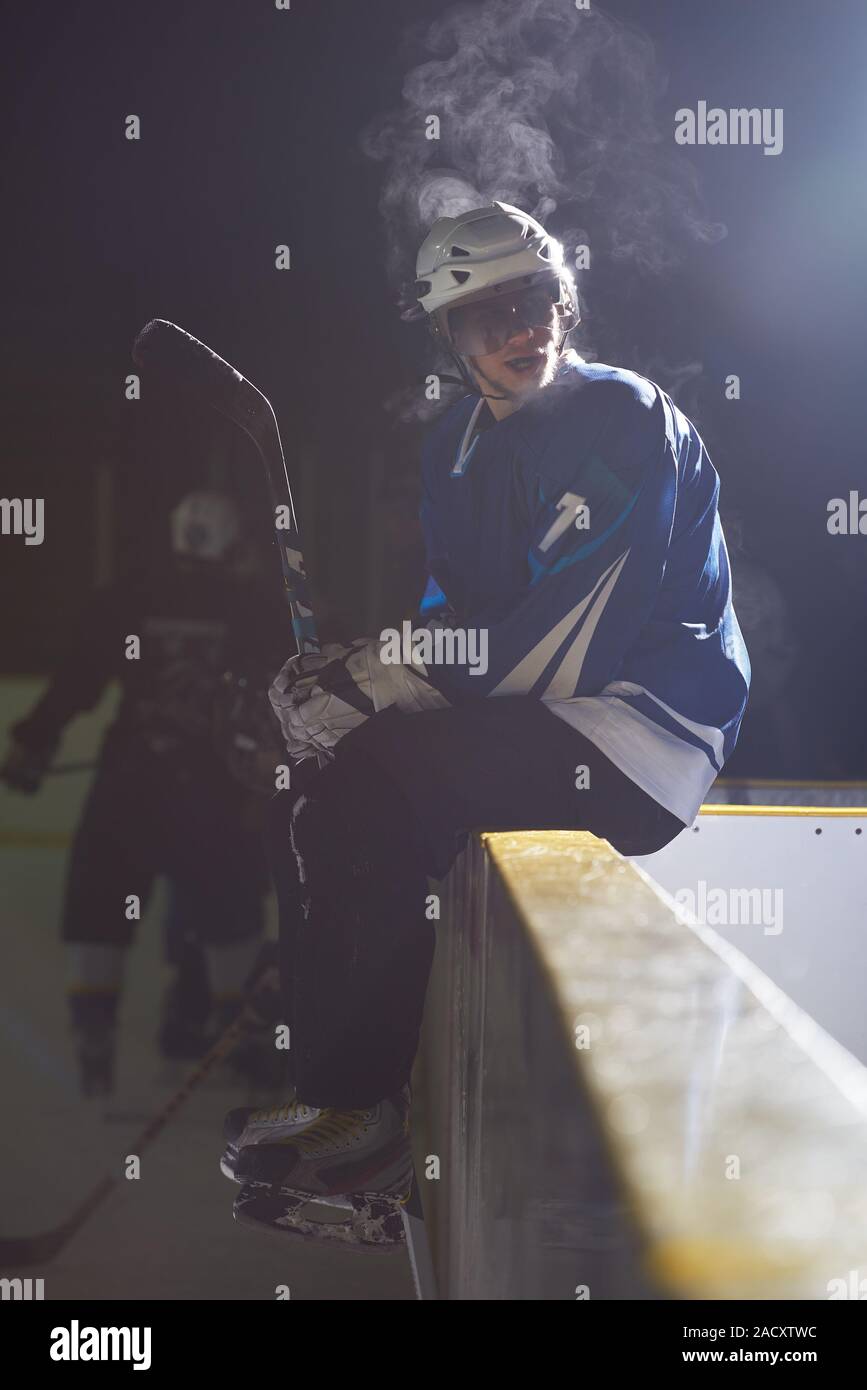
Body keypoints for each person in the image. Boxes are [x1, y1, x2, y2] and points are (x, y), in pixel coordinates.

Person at [222, 203, 751, 1249]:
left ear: (567, 299)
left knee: (364, 784)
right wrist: (356, 680)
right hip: (545, 729)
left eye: (536, 298)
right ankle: (353, 1083)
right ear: (446, 340)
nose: (521, 328)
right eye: (484, 316)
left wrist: (381, 681)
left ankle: (355, 1110)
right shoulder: (456, 451)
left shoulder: (624, 418)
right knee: (331, 790)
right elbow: (451, 622)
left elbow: (566, 646)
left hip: (639, 737)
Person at [1, 491, 287, 1095]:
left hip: (129, 782)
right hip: (215, 788)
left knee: (99, 905)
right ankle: (239, 1042)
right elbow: (280, 693)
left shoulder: (130, 596)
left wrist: (35, 744)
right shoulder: (254, 607)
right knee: (228, 914)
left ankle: (94, 1042)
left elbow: (77, 677)